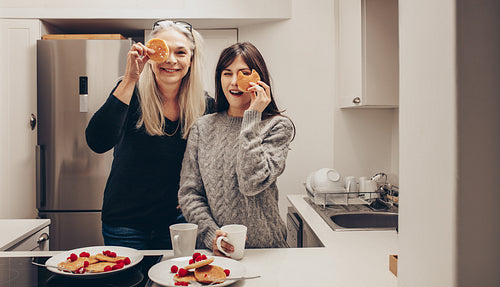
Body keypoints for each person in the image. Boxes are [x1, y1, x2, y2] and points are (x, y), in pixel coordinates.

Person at [85, 20, 214, 250]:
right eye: (163, 50)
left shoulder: (204, 105)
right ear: (150, 54)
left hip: (179, 223)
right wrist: (130, 78)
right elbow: (97, 141)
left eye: (181, 52)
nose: (171, 60)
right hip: (125, 223)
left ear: (191, 60)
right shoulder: (130, 92)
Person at [178, 42, 295, 256]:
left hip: (267, 250)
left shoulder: (277, 126)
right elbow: (189, 193)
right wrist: (211, 234)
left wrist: (252, 117)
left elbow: (251, 183)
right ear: (219, 78)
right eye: (227, 73)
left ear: (259, 79)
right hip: (215, 251)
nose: (234, 82)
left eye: (244, 73)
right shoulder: (202, 128)